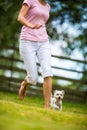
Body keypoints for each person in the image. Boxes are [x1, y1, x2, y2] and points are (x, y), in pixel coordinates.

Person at [17, 0, 53, 108]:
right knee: (33, 78)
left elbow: (42, 22)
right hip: (27, 40)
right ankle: (24, 83)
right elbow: (20, 17)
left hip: (43, 41)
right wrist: (31, 25)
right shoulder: (30, 1)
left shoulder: (48, 6)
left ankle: (46, 107)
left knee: (48, 71)